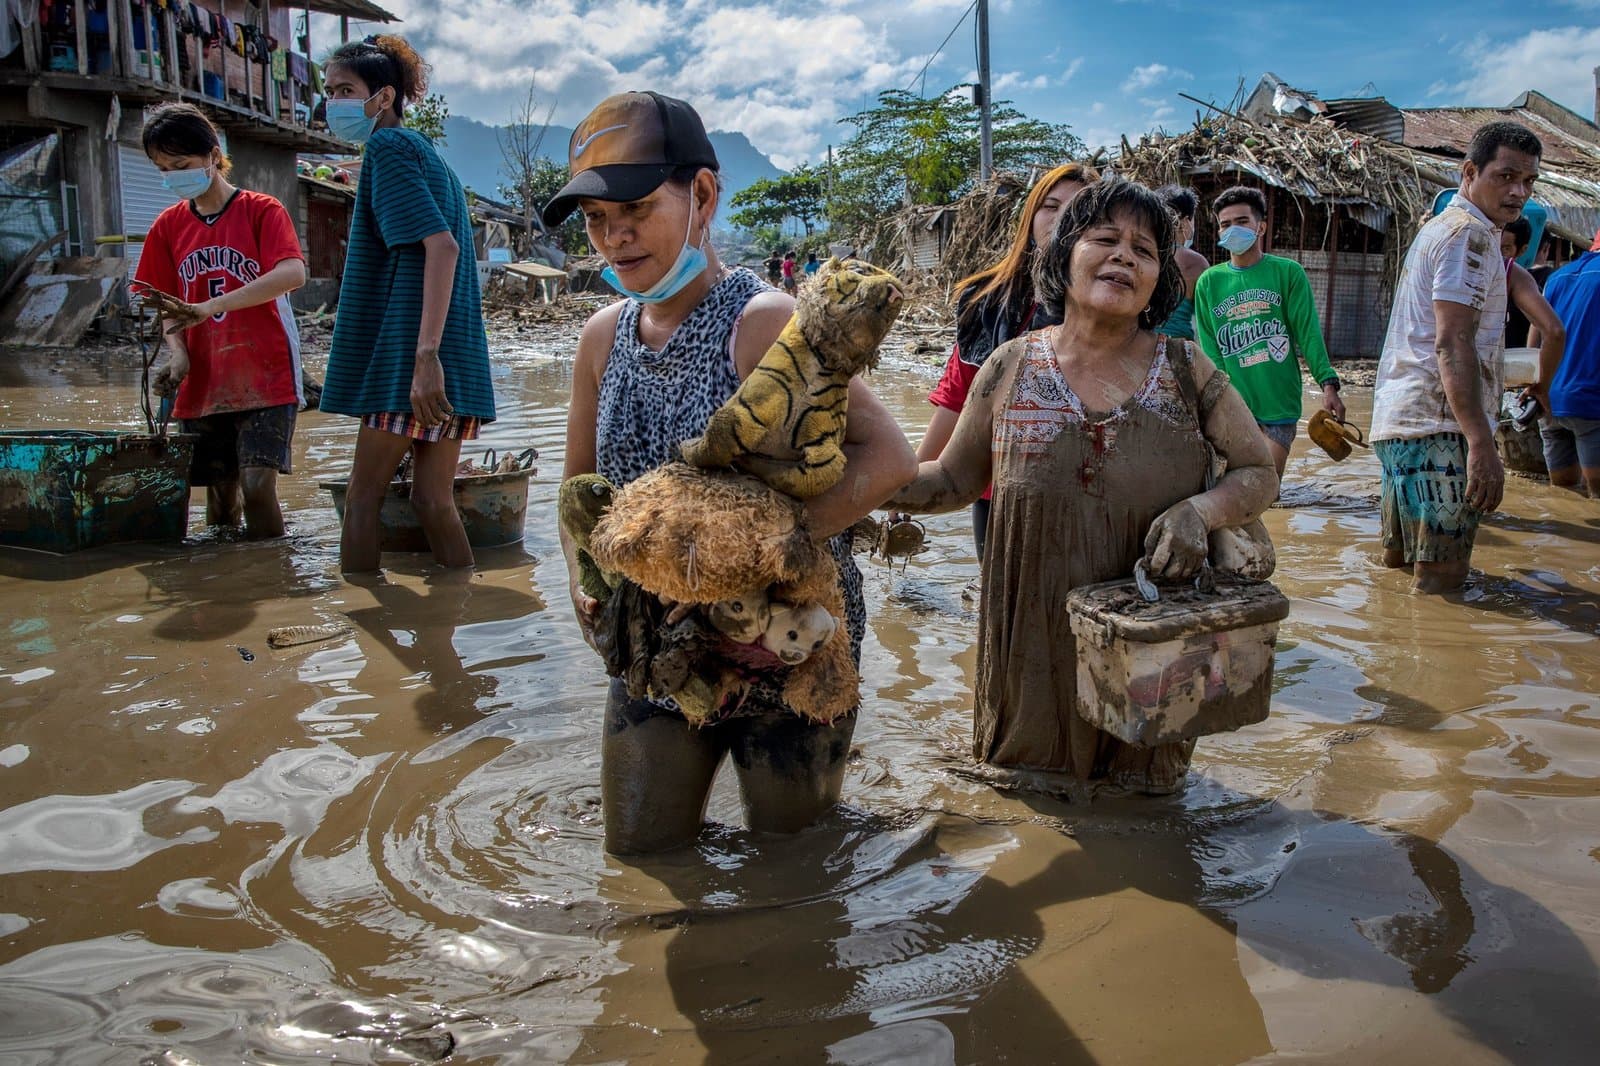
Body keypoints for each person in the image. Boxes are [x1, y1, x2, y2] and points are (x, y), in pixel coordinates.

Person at [544, 91, 916, 853]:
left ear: (702, 195)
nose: (614, 238)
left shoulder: (763, 324)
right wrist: (586, 584)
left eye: (637, 209)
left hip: (791, 643)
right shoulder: (598, 339)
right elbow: (578, 488)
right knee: (641, 856)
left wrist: (743, 559)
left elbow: (890, 460)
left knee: (796, 867)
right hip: (659, 646)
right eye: (595, 221)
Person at [886, 180, 1278, 794]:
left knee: (1146, 792)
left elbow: (1260, 473)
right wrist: (853, 481)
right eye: (1104, 239)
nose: (1125, 256)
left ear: (1158, 280)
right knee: (1024, 790)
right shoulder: (1009, 365)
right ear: (1062, 256)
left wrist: (1200, 513)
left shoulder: (1185, 368)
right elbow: (953, 480)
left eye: (1145, 250)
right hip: (1030, 643)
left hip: (1151, 646)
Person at [317, 35, 496, 574]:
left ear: (384, 96)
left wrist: (424, 358)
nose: (334, 102)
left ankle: (366, 630)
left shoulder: (389, 149)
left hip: (410, 360)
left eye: (346, 89)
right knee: (431, 501)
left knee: (362, 497)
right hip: (452, 361)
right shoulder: (430, 156)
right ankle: (449, 621)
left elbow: (440, 248)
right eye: (328, 91)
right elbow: (444, 248)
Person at [1370, 121, 1545, 594]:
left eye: (1528, 181)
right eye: (1506, 176)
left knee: (1400, 570)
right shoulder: (1470, 236)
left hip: (1400, 424)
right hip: (1440, 429)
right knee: (1442, 589)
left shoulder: (1440, 229)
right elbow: (1452, 342)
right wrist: (1482, 443)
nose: (1518, 192)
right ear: (1470, 171)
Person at [901, 162, 1098, 559]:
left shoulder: (1109, 303)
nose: (1061, 219)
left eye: (1077, 209)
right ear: (1030, 218)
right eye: (1051, 206)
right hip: (994, 487)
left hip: (1086, 493)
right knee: (1000, 609)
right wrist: (909, 488)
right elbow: (958, 397)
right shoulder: (986, 300)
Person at [132, 103, 306, 540]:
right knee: (220, 494)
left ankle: (271, 573)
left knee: (257, 486)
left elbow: (292, 274)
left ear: (213, 156)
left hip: (267, 375)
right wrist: (177, 354)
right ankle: (229, 584)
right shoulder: (167, 227)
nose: (173, 175)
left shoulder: (261, 210)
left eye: (181, 164)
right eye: (163, 168)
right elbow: (163, 306)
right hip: (204, 380)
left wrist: (208, 308)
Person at [1194, 185, 1344, 479]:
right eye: (1225, 225)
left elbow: (1308, 333)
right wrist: (1223, 402)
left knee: (1266, 490)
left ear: (1261, 226)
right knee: (1234, 492)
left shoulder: (1288, 273)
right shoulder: (1209, 283)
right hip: (1233, 407)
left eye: (1241, 222)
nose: (1232, 230)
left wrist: (1329, 385)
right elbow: (1211, 350)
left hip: (1279, 404)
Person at [1531, 228, 1599, 495]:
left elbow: (1536, 335)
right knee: (1597, 499)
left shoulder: (1557, 278)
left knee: (1563, 494)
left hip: (1549, 399)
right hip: (1591, 404)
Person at [1154, 184, 1209, 342]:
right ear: (1185, 221)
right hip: (1177, 350)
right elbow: (1206, 321)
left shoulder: (1141, 256)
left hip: (1138, 349)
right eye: (1193, 220)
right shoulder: (1195, 262)